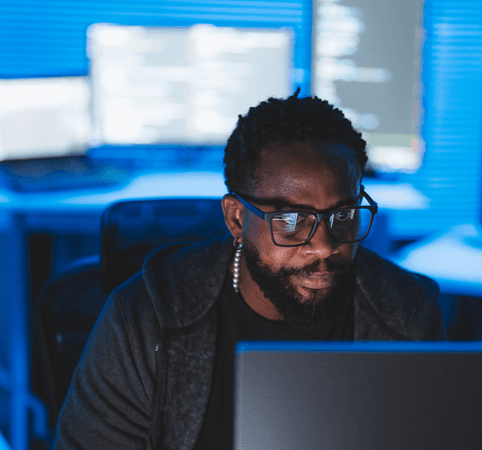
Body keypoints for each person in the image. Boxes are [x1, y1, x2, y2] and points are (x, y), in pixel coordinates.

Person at [54, 91, 445, 449]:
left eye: (343, 215)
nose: (326, 245)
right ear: (237, 219)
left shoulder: (408, 316)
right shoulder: (143, 318)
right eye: (292, 219)